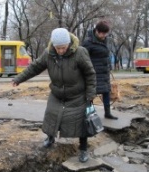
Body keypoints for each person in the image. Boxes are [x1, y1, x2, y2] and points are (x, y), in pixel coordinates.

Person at [12, 28, 96, 162]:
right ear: (53, 45)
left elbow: (90, 74)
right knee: (51, 115)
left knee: (82, 123)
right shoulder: (48, 53)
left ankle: (83, 149)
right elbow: (35, 67)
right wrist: (19, 79)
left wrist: (91, 93)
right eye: (58, 48)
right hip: (57, 93)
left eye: (63, 48)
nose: (61, 51)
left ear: (69, 44)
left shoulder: (80, 53)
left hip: (77, 94)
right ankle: (50, 138)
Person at [82, 20, 118, 120]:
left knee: (106, 92)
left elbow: (106, 56)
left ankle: (108, 113)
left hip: (104, 72)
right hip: (93, 73)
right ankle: (89, 114)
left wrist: (109, 67)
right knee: (91, 94)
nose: (104, 35)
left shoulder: (105, 41)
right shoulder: (88, 43)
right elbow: (82, 58)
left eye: (106, 33)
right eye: (103, 33)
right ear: (97, 31)